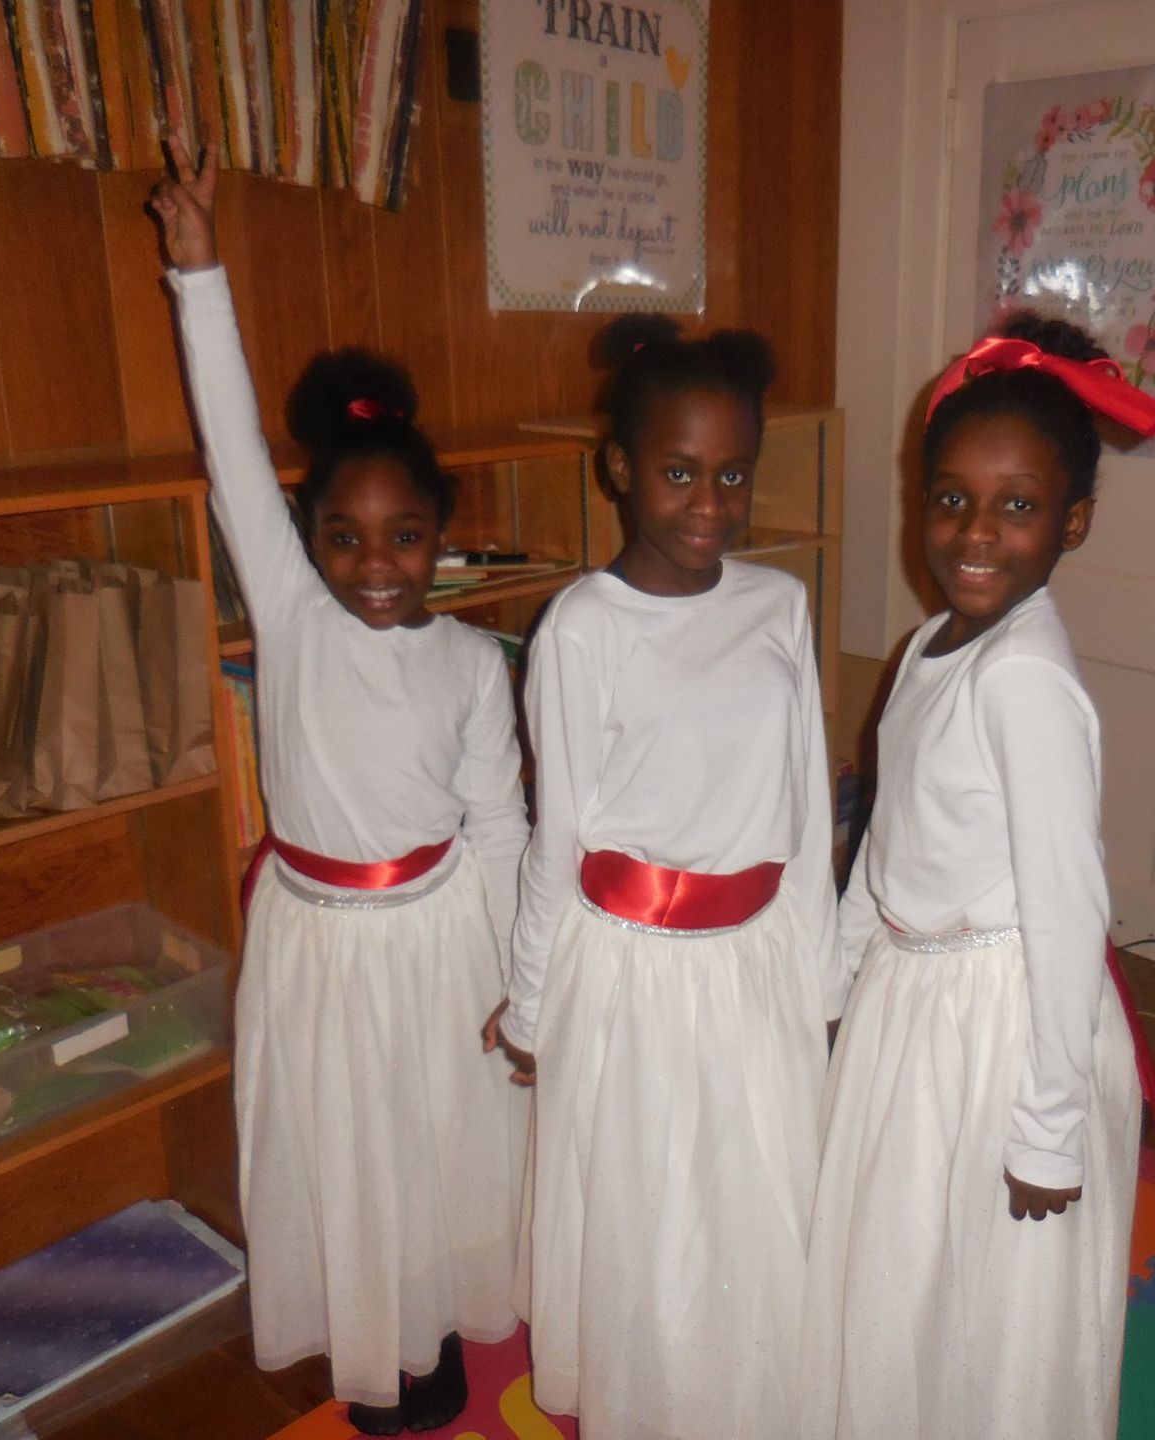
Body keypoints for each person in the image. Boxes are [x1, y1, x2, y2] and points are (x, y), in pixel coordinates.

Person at [151, 139, 527, 1436]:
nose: (377, 564)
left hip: (436, 946)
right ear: (306, 545)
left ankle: (435, 1358)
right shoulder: (296, 620)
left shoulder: (477, 663)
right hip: (313, 946)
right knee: (347, 1160)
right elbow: (234, 458)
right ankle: (379, 1371)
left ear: (443, 533)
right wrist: (199, 272)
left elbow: (501, 827)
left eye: (405, 536)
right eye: (345, 537)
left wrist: (524, 986)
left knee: (436, 1153)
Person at [799, 314, 1155, 1440]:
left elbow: (1069, 917)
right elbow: (889, 835)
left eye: (1018, 506)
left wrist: (1049, 1127)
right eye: (950, 496)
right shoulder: (926, 647)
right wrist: (833, 979)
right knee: (902, 1265)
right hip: (911, 1005)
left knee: (990, 1301)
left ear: (1075, 520)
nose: (975, 532)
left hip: (999, 1029)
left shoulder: (1027, 684)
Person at [485, 314, 843, 1440]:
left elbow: (808, 811)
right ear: (623, 470)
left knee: (749, 1194)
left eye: (733, 475)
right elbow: (557, 838)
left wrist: (824, 986)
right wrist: (533, 1006)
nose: (710, 504)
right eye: (681, 473)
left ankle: (741, 1390)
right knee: (648, 1204)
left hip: (756, 961)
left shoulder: (777, 606)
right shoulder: (581, 629)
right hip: (630, 973)